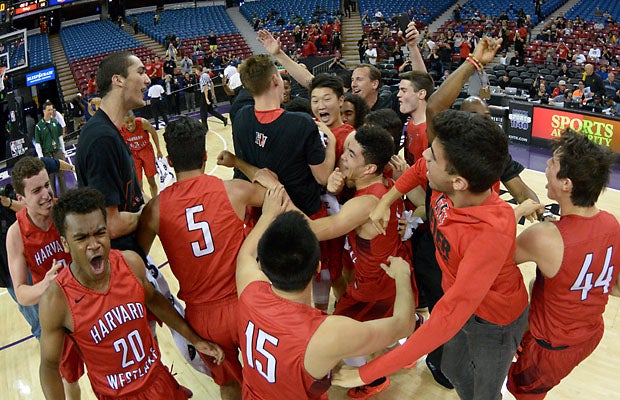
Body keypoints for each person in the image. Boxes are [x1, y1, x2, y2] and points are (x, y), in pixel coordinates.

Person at [39, 187, 224, 399]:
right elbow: (50, 366)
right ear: (65, 243)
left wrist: (194, 338)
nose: (94, 245)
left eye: (100, 233)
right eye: (81, 238)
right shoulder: (57, 300)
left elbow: (154, 300)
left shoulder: (130, 262)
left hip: (158, 380)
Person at [137, 116, 273, 399]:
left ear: (170, 162)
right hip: (245, 301)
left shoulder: (154, 210)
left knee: (228, 386)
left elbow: (137, 261)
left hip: (202, 317)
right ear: (205, 155)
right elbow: (276, 197)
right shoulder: (234, 190)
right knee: (268, 381)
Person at [236, 187, 415, 399]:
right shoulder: (327, 334)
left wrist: (267, 215)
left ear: (262, 265)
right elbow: (403, 325)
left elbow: (246, 253)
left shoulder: (248, 287)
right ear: (318, 267)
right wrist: (403, 275)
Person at [507, 130, 620, 399]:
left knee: (523, 393)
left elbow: (489, 258)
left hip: (549, 349)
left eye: (553, 163)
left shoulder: (544, 237)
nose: (546, 164)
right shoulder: (611, 223)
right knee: (538, 282)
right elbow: (616, 287)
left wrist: (513, 215)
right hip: (589, 334)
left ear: (567, 184)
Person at [6, 157, 82, 399]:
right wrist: (46, 285)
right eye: (37, 190)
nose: (47, 194)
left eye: (47, 185)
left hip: (87, 303)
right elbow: (20, 292)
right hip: (57, 315)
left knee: (108, 367)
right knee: (70, 378)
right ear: (21, 199)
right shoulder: (16, 233)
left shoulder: (66, 210)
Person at [232, 54, 335, 218]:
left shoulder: (241, 116)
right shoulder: (301, 122)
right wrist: (332, 143)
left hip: (263, 214)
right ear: (275, 80)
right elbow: (323, 177)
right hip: (302, 215)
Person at [75, 51, 149, 257]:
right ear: (118, 80)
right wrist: (151, 212)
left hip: (129, 255)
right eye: (140, 72)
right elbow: (111, 224)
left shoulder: (109, 131)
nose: (147, 78)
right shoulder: (101, 140)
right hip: (119, 266)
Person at [120, 111, 163, 198]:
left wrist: (158, 149)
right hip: (133, 155)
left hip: (146, 151)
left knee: (151, 181)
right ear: (123, 122)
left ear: (135, 118)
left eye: (132, 121)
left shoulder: (143, 123)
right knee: (138, 184)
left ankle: (154, 200)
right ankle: (144, 204)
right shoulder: (120, 128)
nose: (130, 124)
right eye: (127, 122)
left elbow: (154, 133)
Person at [34, 100, 67, 196]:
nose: (50, 112)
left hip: (57, 152)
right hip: (47, 154)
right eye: (48, 110)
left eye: (52, 110)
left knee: (61, 176)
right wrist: (41, 157)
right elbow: (38, 143)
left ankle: (64, 197)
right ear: (44, 111)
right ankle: (53, 198)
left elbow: (60, 137)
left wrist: (63, 151)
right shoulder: (39, 126)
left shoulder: (55, 122)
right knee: (50, 178)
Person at [199, 67, 227, 131]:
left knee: (203, 112)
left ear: (198, 71)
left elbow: (205, 87)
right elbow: (212, 83)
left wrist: (206, 98)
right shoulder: (207, 75)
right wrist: (212, 93)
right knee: (211, 110)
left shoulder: (202, 77)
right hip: (208, 92)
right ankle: (223, 118)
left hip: (205, 93)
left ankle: (205, 128)